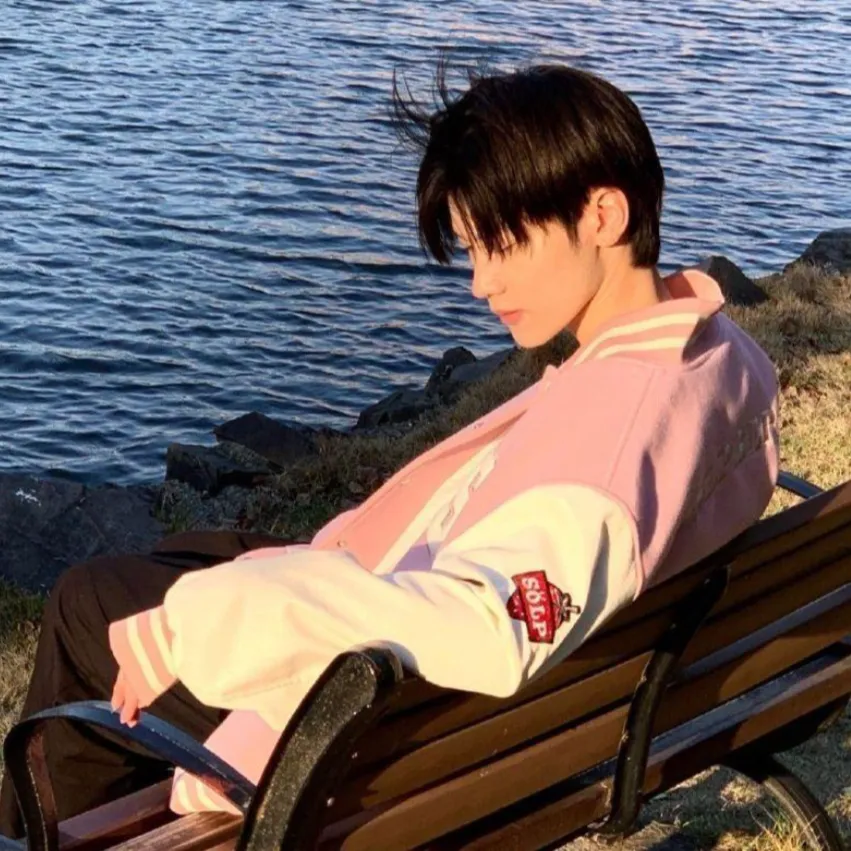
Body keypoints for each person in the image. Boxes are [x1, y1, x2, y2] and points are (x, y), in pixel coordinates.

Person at [0, 60, 780, 835]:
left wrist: (196, 625)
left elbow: (488, 625)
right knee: (183, 558)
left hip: (382, 719)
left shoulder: (614, 437)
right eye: (471, 250)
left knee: (88, 607)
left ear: (601, 214)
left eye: (501, 245)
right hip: (449, 641)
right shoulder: (712, 354)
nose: (480, 283)